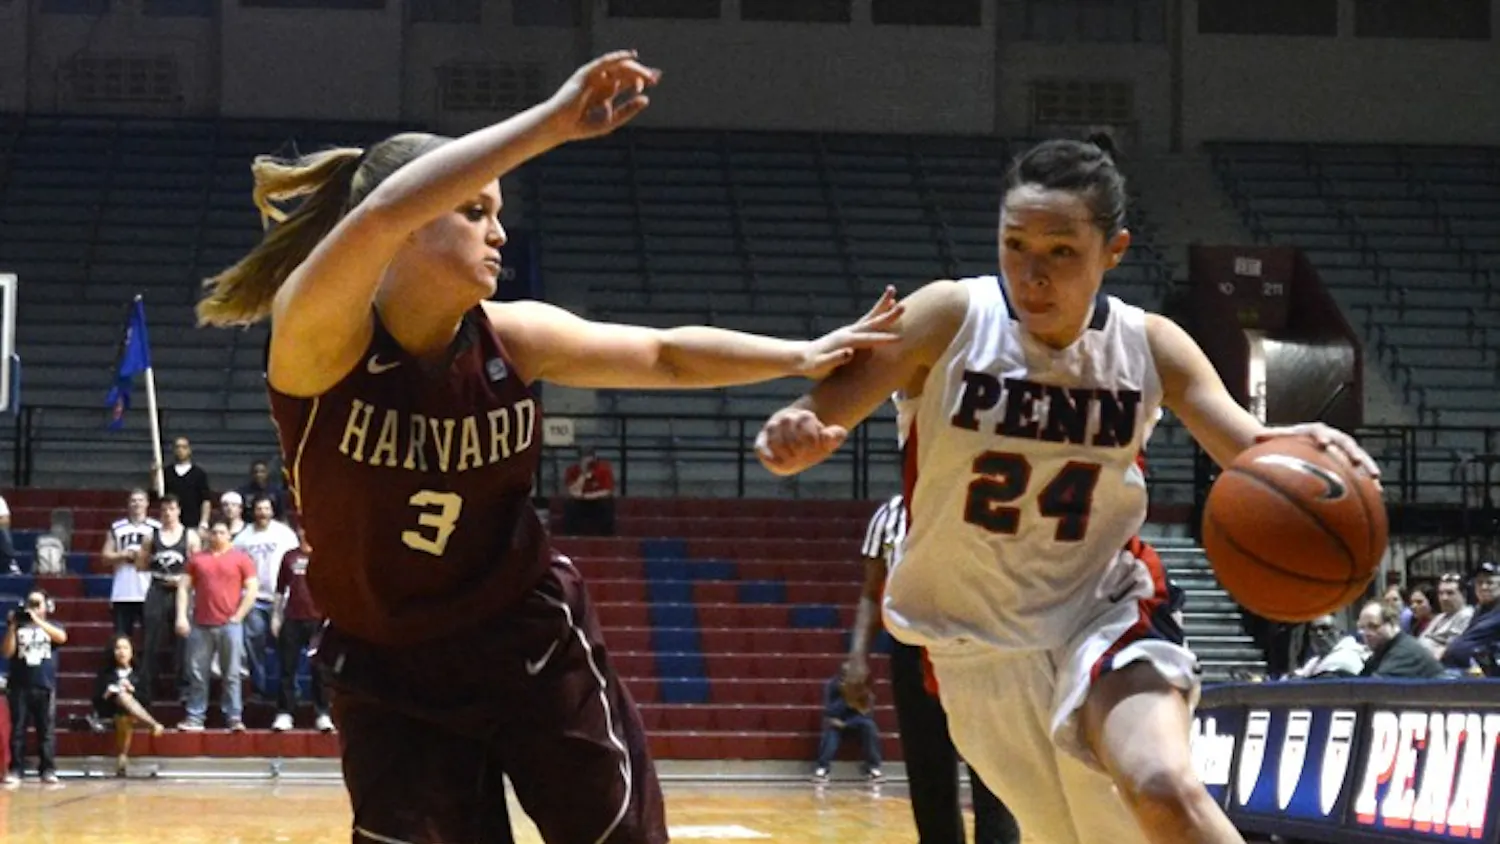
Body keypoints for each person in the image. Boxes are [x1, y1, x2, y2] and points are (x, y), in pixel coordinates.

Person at [194, 50, 899, 844]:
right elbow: (384, 209)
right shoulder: (318, 342)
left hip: (522, 638)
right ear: (414, 223)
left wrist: (801, 354)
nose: (499, 232)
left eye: (498, 213)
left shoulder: (512, 338)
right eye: (475, 211)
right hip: (389, 667)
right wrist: (550, 125)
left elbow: (665, 353)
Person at [754, 135, 1382, 844]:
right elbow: (812, 417)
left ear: (1113, 251)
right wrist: (790, 438)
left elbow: (1250, 449)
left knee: (1164, 788)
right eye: (1015, 244)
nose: (1033, 273)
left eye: (1060, 251)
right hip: (971, 641)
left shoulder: (1151, 346)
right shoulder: (949, 319)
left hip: (1104, 609)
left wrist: (1308, 450)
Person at [845, 494, 1018, 844]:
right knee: (928, 775)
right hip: (912, 648)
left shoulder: (975, 500)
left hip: (977, 642)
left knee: (993, 773)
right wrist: (857, 656)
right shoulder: (889, 516)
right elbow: (870, 592)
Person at [175, 517, 258, 732]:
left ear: (229, 536)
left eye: (222, 532)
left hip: (230, 624)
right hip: (201, 623)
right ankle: (195, 717)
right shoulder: (196, 559)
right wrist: (182, 616)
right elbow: (183, 588)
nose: (218, 536)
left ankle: (233, 717)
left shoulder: (241, 559)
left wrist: (238, 616)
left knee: (231, 674)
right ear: (209, 535)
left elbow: (252, 589)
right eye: (215, 532)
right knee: (197, 673)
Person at [135, 494, 200, 706]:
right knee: (151, 638)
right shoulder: (150, 537)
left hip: (181, 591)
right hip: (158, 588)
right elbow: (141, 565)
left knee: (183, 640)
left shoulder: (190, 536)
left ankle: (183, 687)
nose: (168, 513)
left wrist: (183, 582)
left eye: (172, 509)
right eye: (164, 510)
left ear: (178, 510)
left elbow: (197, 567)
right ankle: (147, 687)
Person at [233, 495, 299, 698]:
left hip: (281, 598)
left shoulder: (284, 534)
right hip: (254, 599)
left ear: (272, 511)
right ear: (253, 511)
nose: (262, 512)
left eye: (266, 509)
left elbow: (295, 563)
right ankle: (260, 688)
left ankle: (288, 689)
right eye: (259, 509)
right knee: (254, 645)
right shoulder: (243, 537)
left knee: (286, 647)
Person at [271, 525, 334, 733]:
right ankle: (285, 713)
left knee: (320, 669)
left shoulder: (324, 556)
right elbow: (280, 590)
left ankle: (323, 713)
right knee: (287, 668)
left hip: (318, 620)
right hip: (292, 618)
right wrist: (276, 617)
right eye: (302, 530)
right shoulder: (289, 557)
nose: (305, 533)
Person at [3, 589, 67, 785]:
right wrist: (13, 626)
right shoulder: (18, 627)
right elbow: (7, 652)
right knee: (18, 730)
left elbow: (62, 638)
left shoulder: (52, 625)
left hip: (45, 685)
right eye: (31, 603)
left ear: (46, 606)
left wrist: (38, 621)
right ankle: (16, 769)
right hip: (20, 685)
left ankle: (47, 769)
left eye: (38, 604)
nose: (34, 608)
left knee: (46, 730)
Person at [91, 635, 166, 776]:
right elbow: (96, 701)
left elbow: (147, 699)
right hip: (112, 711)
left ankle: (122, 757)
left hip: (136, 713)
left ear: (131, 652)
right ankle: (153, 724)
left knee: (125, 707)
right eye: (118, 648)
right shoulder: (105, 674)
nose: (121, 652)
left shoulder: (140, 674)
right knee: (121, 706)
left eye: (125, 648)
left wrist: (133, 690)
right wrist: (107, 693)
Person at [101, 489, 160, 638]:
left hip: (147, 589)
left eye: (140, 500)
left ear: (147, 503)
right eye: (133, 500)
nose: (137, 504)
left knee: (151, 638)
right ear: (128, 504)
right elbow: (105, 557)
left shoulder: (156, 527)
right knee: (122, 637)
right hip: (123, 590)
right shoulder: (117, 527)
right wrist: (123, 555)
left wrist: (143, 557)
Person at [811, 668, 883, 783]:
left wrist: (846, 724)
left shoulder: (863, 688)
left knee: (869, 726)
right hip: (836, 720)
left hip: (856, 722)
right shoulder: (831, 686)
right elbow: (829, 711)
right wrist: (845, 700)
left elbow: (867, 713)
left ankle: (874, 768)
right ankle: (822, 768)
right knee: (830, 726)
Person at [1355, 601, 1445, 679]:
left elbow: (1372, 689)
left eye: (1373, 626)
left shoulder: (1405, 652)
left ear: (1392, 623)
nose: (1366, 633)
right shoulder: (1384, 649)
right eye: (1362, 628)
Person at [158, 437, 213, 532]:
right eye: (177, 447)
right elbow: (158, 495)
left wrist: (204, 522)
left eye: (184, 447)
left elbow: (206, 500)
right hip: (171, 524)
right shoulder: (166, 473)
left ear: (189, 450)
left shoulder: (199, 473)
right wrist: (154, 476)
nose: (180, 450)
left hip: (193, 524)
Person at [1419, 572, 1474, 660]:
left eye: (1450, 593)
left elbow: (1450, 649)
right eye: (1441, 593)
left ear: (1463, 595)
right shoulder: (1440, 617)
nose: (1444, 598)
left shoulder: (1467, 615)